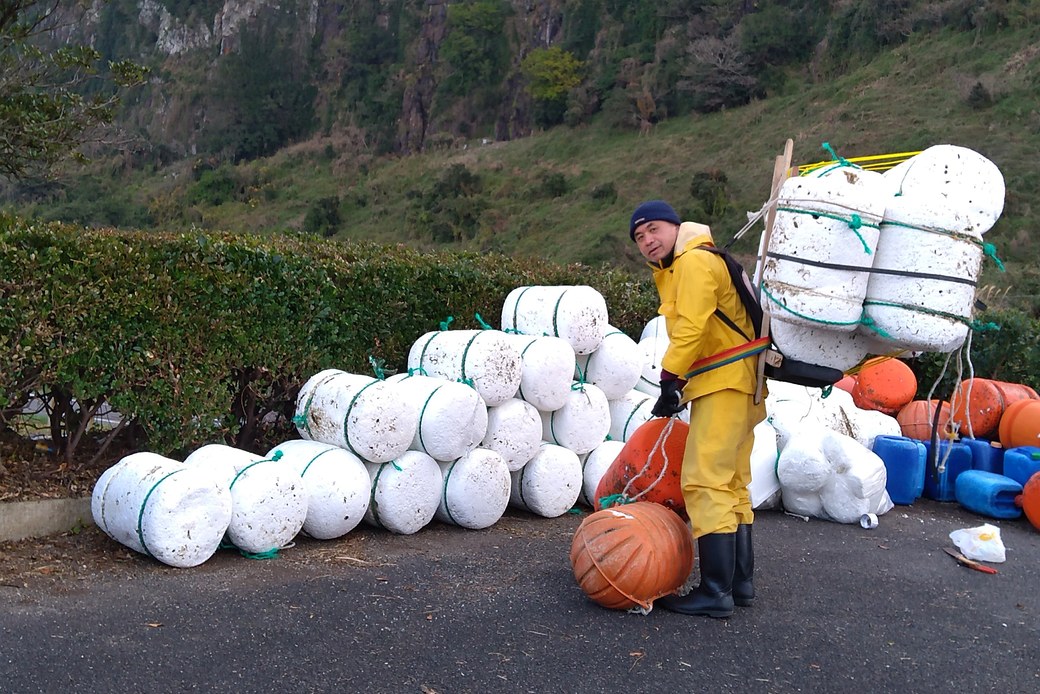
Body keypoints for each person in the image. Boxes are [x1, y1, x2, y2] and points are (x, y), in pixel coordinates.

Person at [629, 199, 766, 618]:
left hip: (723, 383)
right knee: (731, 484)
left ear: (675, 226)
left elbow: (691, 327)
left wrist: (669, 379)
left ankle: (715, 592)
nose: (648, 241)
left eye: (654, 229)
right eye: (639, 237)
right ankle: (738, 585)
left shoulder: (692, 263)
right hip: (743, 383)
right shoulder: (704, 260)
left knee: (705, 482)